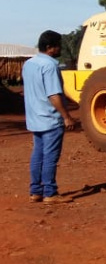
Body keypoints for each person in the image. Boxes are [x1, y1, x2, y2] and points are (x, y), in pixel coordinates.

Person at [22, 30, 76, 204]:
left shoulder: (28, 64)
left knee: (38, 155)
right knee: (50, 157)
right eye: (58, 45)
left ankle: (35, 191)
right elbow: (54, 95)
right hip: (50, 119)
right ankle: (50, 193)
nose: (60, 49)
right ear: (50, 48)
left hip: (34, 118)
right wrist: (66, 116)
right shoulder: (50, 66)